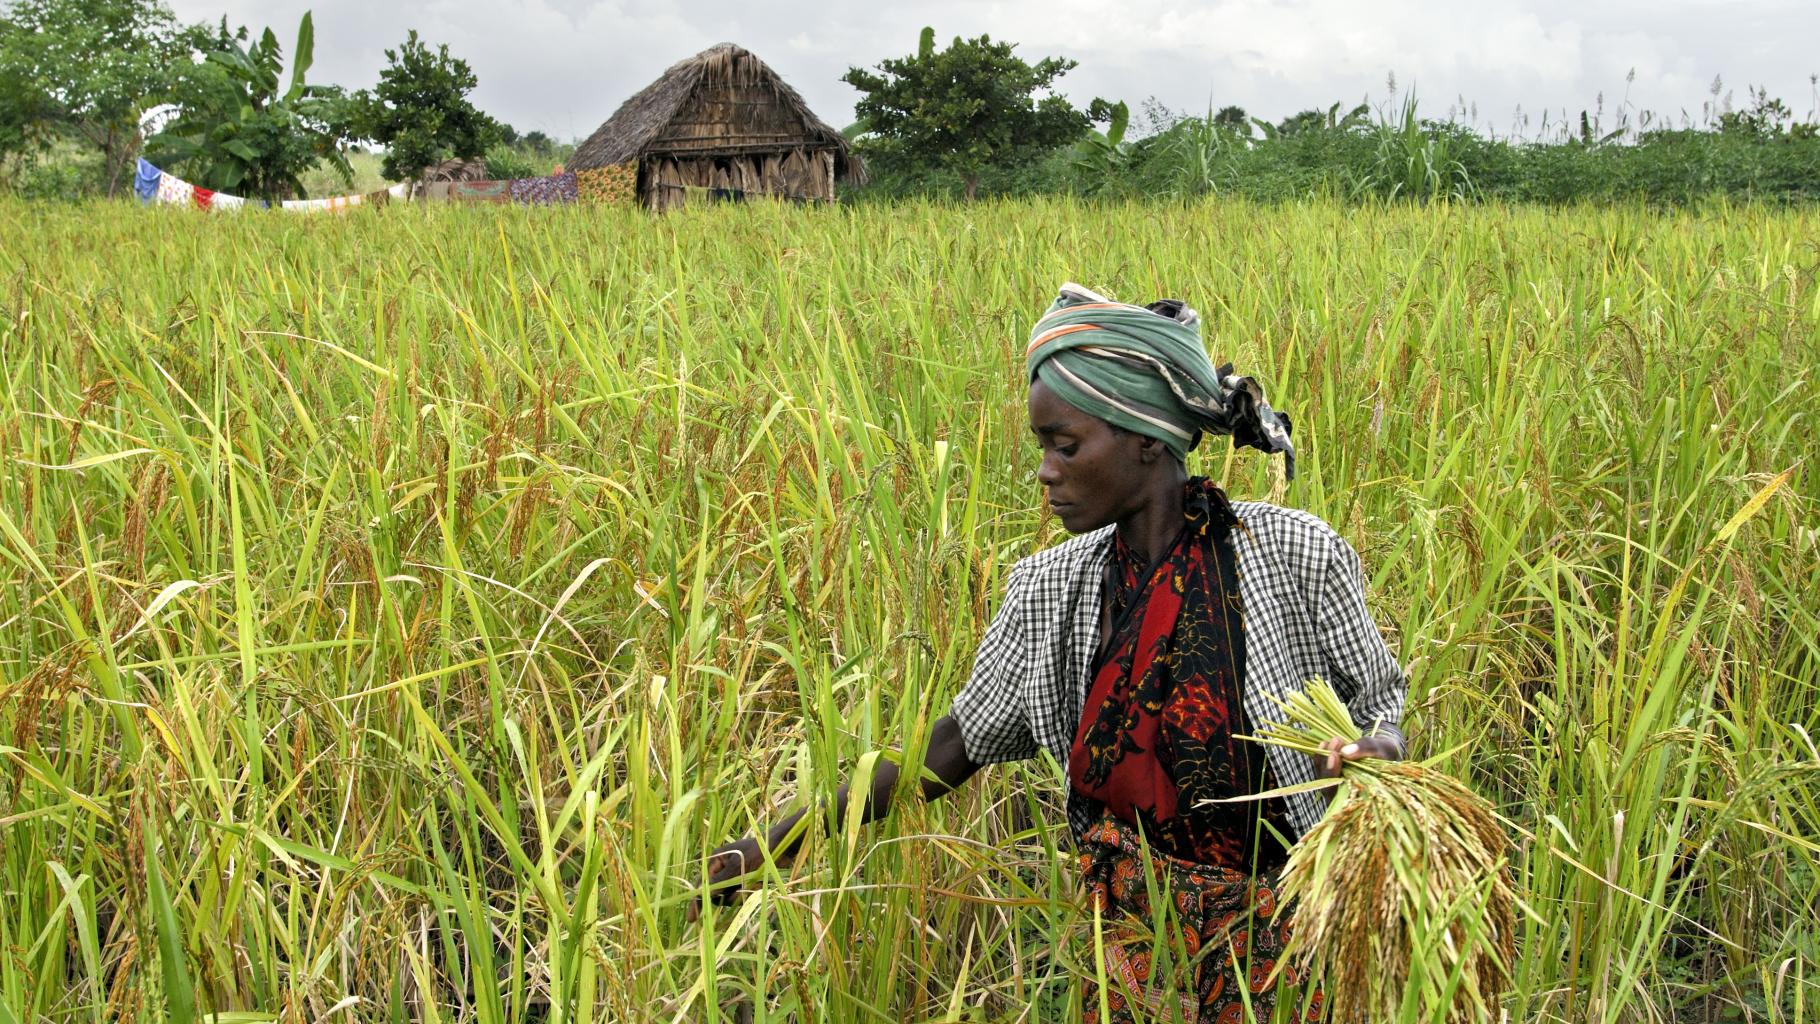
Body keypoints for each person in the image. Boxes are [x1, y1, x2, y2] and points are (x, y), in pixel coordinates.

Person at [697, 283, 1408, 1022]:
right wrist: (770, 845)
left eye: (1065, 446)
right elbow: (946, 748)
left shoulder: (1293, 555)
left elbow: (1381, 702)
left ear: (1144, 438)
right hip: (1130, 954)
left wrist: (1379, 749)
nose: (1045, 471)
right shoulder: (1048, 590)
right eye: (1044, 447)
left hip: (1285, 948)